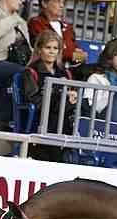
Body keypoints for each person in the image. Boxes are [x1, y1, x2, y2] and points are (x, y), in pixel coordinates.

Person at [22, 30, 79, 160]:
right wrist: (58, 94)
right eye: (48, 47)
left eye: (55, 48)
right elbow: (34, 100)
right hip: (41, 117)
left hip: (64, 115)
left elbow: (70, 94)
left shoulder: (65, 73)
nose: (52, 51)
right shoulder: (30, 71)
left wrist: (73, 97)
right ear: (39, 49)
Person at [27, 0, 87, 66]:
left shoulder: (68, 27)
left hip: (68, 68)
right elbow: (47, 49)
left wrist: (80, 55)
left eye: (63, 2)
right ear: (44, 3)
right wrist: (71, 55)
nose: (62, 5)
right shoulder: (36, 23)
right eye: (58, 1)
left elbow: (77, 51)